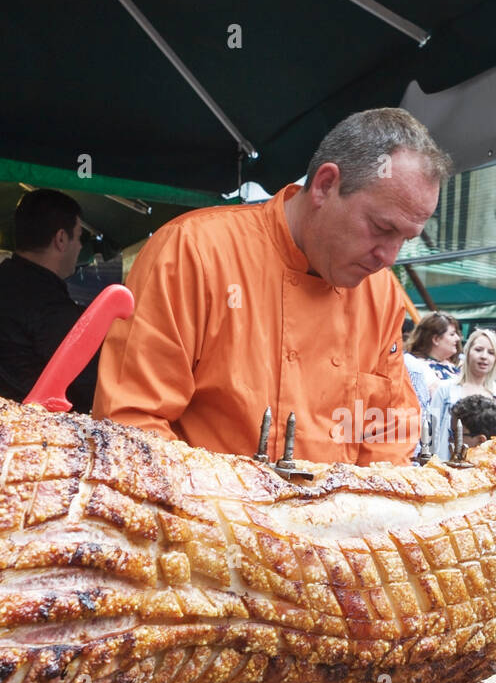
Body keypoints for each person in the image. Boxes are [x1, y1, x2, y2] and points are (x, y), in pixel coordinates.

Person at [95, 109, 450, 465]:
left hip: (340, 516)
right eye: (381, 228)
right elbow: (130, 426)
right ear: (326, 185)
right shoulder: (193, 252)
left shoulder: (383, 294)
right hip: (206, 515)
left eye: (405, 239)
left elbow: (387, 435)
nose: (389, 257)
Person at [0, 189, 96, 412]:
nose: (80, 246)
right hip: (25, 430)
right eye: (79, 237)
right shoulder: (49, 301)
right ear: (61, 238)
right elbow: (85, 382)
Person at [429, 328, 496, 460]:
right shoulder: (445, 389)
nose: (484, 356)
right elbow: (432, 431)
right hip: (446, 467)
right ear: (468, 352)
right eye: (478, 349)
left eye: (491, 353)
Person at [404, 313, 462, 399]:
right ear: (436, 339)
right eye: (452, 334)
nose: (457, 338)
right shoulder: (416, 367)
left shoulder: (456, 364)